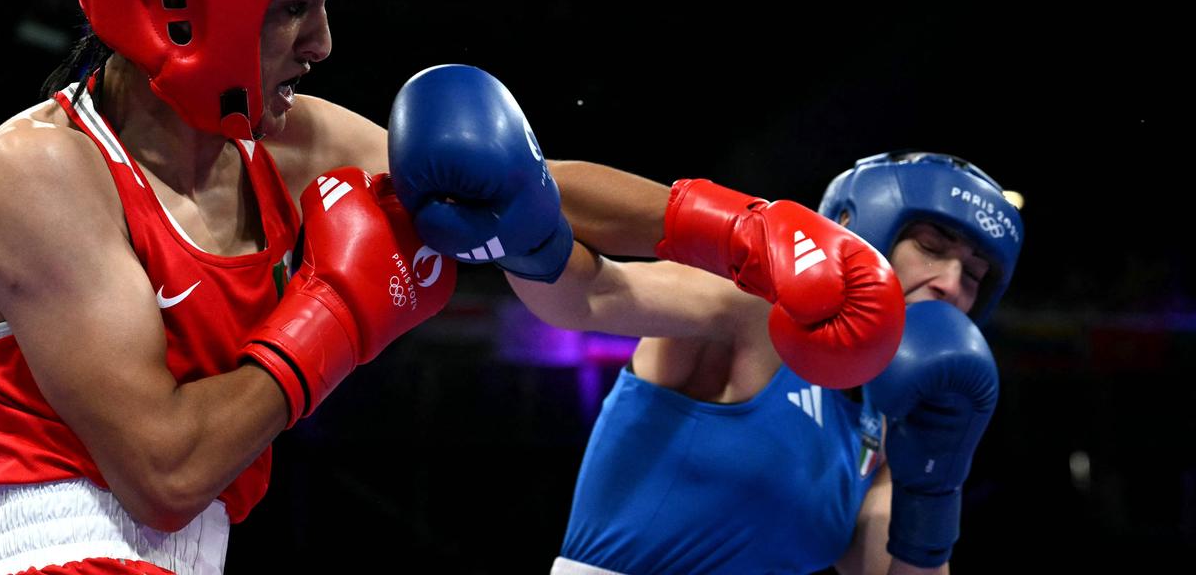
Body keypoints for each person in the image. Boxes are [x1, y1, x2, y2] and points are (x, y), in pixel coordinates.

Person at [0, 0, 471, 573]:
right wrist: (336, 316)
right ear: (183, 8)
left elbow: (498, 187)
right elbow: (167, 476)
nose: (321, 43)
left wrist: (679, 218)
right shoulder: (38, 170)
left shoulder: (283, 144)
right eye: (294, 6)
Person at [384, 72, 1022, 575]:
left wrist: (938, 478)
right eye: (934, 247)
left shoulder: (892, 434)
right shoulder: (752, 313)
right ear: (860, 232)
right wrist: (518, 217)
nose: (951, 284)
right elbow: (594, 294)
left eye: (974, 275)